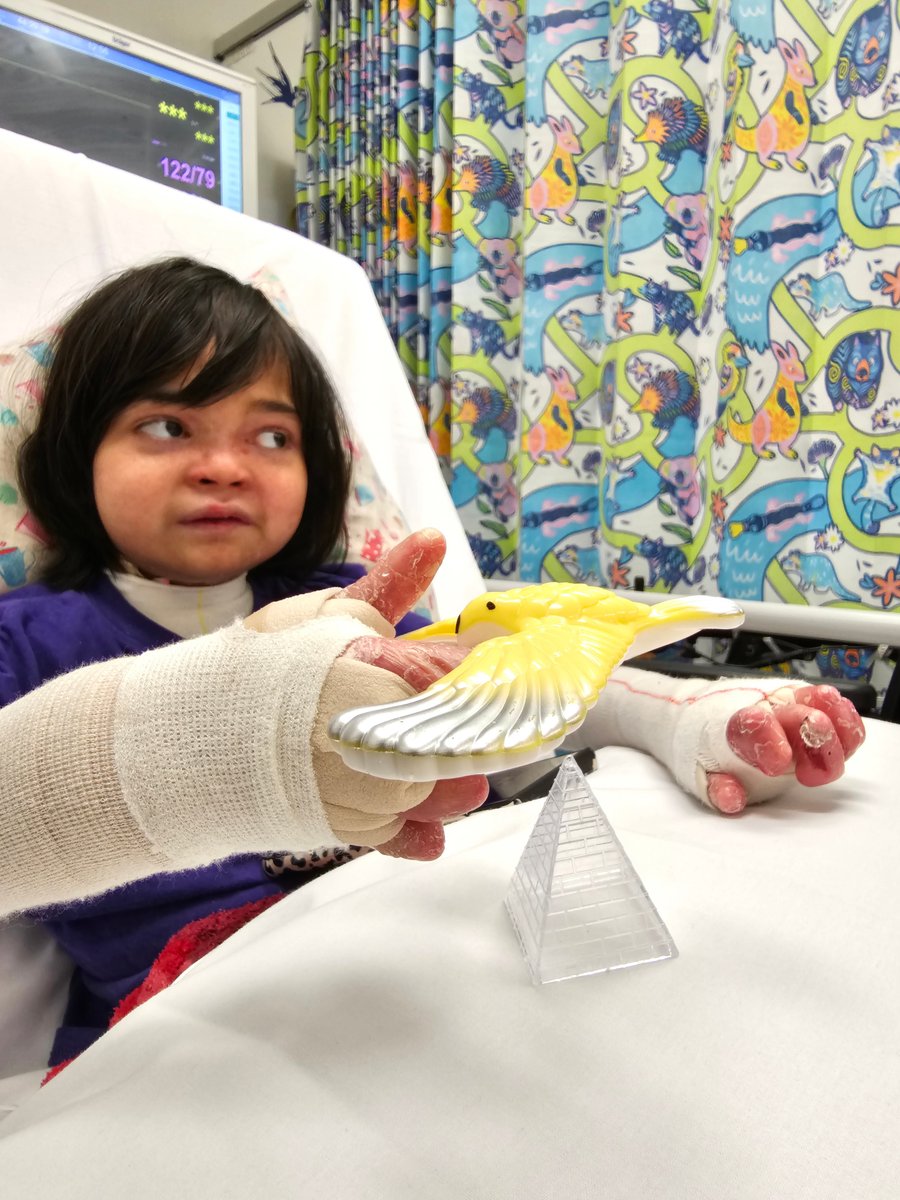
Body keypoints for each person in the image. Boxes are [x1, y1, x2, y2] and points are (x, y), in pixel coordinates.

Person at [0, 257, 864, 1076]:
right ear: (78, 453)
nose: (224, 466)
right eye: (166, 426)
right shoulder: (27, 643)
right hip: (180, 1010)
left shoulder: (354, 605)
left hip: (400, 948)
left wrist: (686, 718)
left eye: (272, 435)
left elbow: (512, 695)